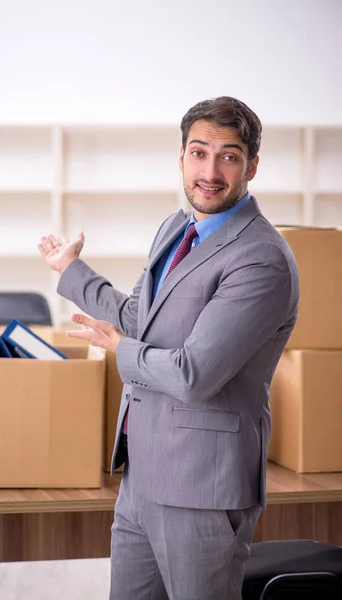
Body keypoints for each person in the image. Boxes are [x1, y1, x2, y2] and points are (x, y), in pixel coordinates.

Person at [38, 96, 299, 600]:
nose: (210, 170)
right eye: (199, 153)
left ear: (252, 166)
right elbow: (141, 317)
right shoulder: (176, 228)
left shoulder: (262, 258)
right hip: (144, 472)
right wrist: (71, 272)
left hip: (202, 483)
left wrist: (119, 349)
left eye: (229, 155)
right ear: (181, 157)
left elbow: (194, 374)